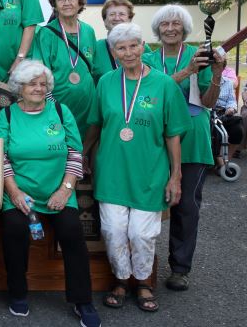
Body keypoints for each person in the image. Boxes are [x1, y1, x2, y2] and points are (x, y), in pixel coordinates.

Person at [85, 23, 191, 312]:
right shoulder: (106, 82)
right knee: (113, 230)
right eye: (121, 48)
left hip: (149, 172)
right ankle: (121, 279)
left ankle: (143, 281)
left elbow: (173, 134)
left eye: (134, 45)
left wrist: (176, 176)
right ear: (113, 52)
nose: (128, 52)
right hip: (112, 171)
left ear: (144, 46)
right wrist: (82, 154)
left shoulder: (164, 84)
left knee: (141, 234)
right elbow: (96, 123)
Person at [0, 60, 100, 325]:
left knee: (72, 232)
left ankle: (82, 300)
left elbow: (75, 153)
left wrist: (65, 190)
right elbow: (1, 157)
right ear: (19, 87)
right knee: (14, 229)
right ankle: (17, 292)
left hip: (58, 191)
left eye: (43, 84)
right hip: (19, 192)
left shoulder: (61, 112)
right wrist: (14, 192)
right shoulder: (7, 115)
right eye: (32, 84)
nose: (39, 88)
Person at [142, 4, 225, 292]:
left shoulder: (199, 54)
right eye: (165, 24)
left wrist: (216, 73)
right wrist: (187, 71)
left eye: (176, 23)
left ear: (185, 29)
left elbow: (209, 101)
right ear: (158, 29)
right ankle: (140, 267)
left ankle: (180, 268)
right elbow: (150, 91)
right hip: (153, 138)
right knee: (144, 203)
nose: (170, 28)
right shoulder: (148, 58)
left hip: (191, 137)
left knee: (186, 206)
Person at [31, 0, 97, 138]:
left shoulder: (89, 31)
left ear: (80, 2)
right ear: (54, 4)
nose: (67, 3)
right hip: (59, 106)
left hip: (87, 106)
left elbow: (92, 68)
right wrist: (52, 105)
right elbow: (39, 72)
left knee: (84, 146)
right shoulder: (46, 34)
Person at [93, 0, 150, 83]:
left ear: (130, 19)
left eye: (122, 14)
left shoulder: (142, 47)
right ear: (104, 21)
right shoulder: (95, 48)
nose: (117, 18)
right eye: (112, 14)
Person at [212, 70, 244, 168]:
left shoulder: (228, 82)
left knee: (237, 129)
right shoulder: (203, 81)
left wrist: (231, 108)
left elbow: (231, 101)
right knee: (216, 131)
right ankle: (218, 159)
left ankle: (226, 160)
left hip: (223, 112)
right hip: (208, 111)